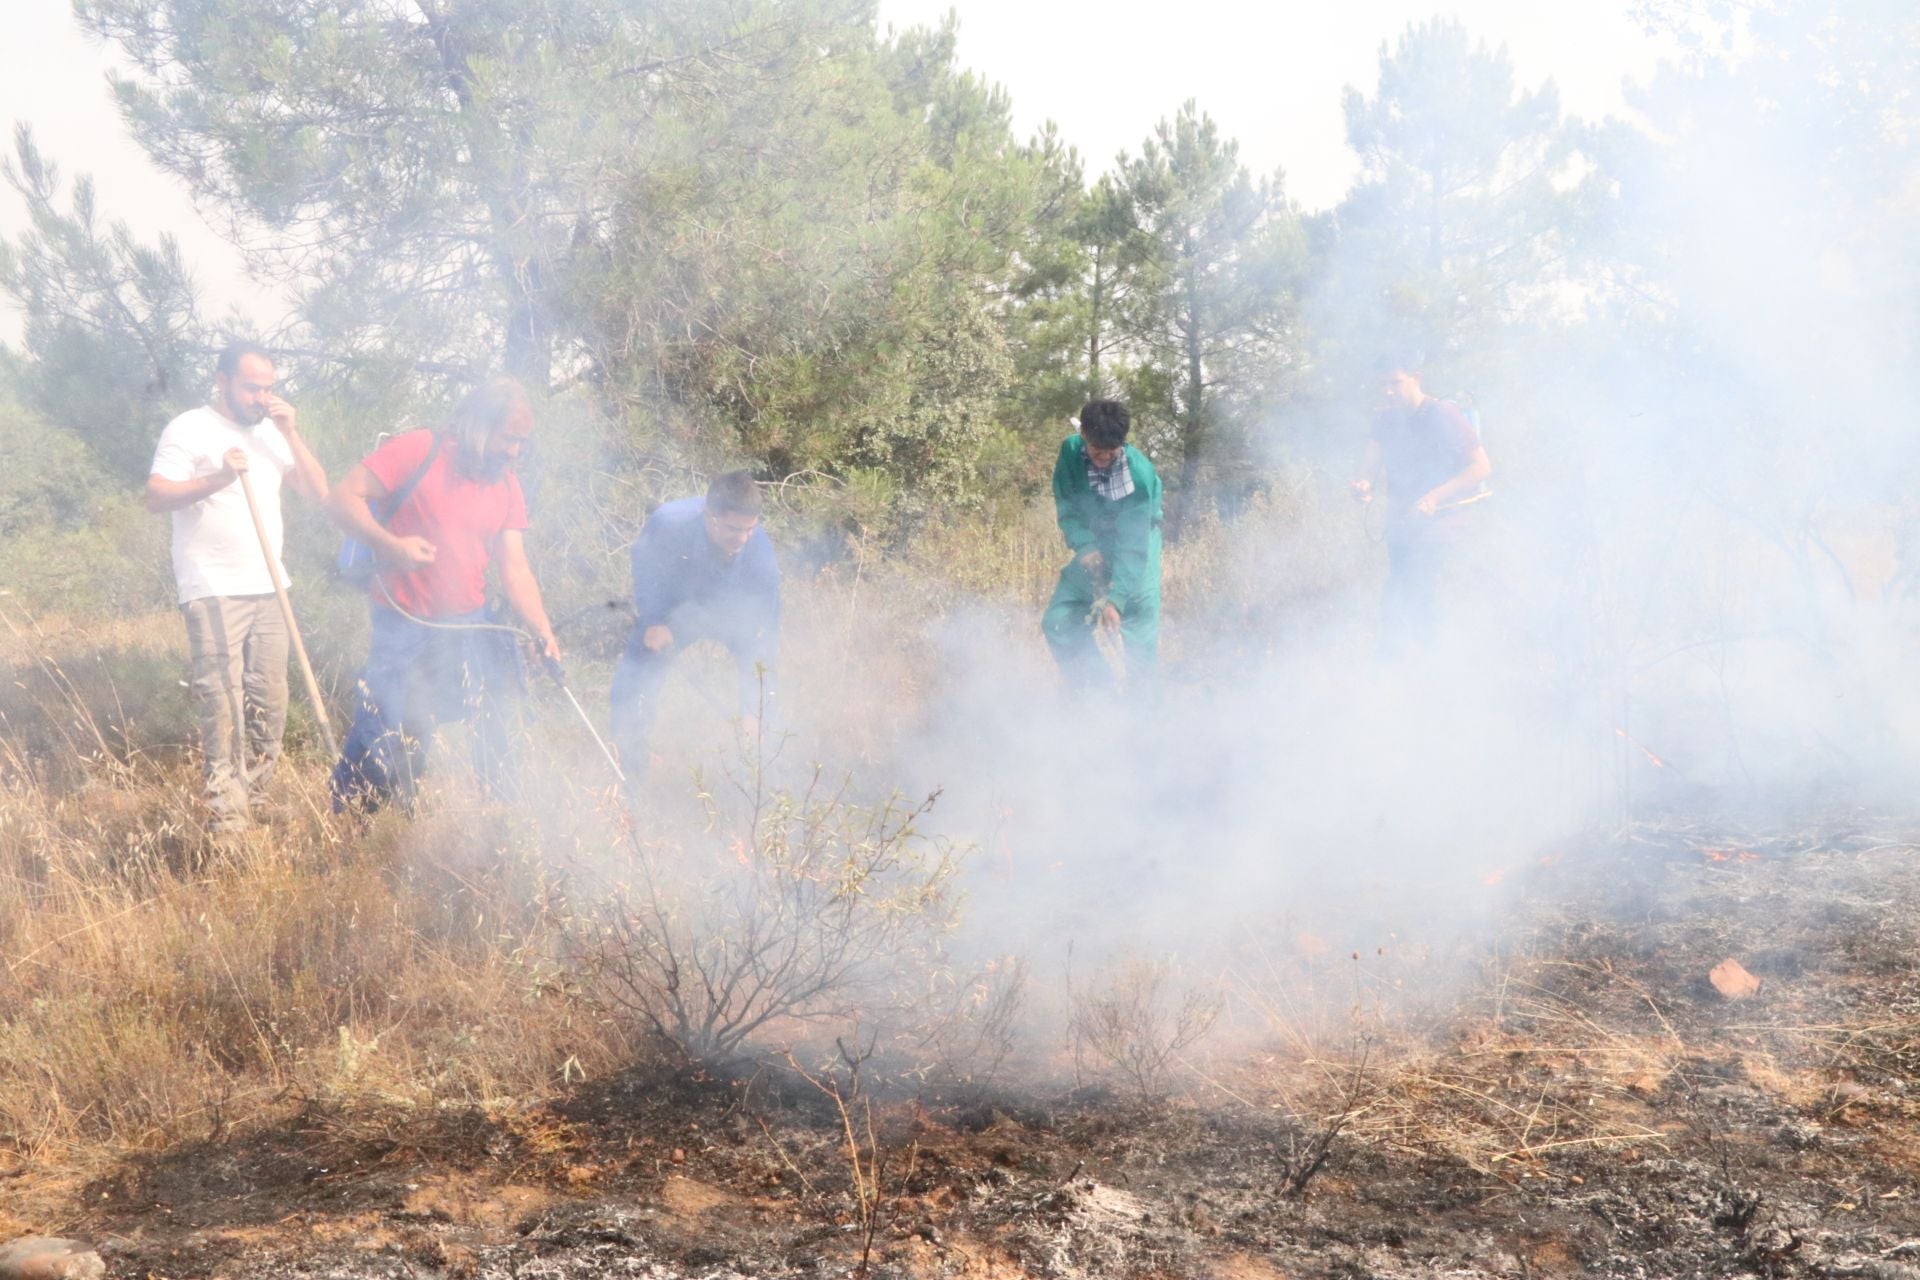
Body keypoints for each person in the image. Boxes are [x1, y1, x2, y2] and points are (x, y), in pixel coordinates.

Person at [327, 377, 560, 813]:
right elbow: (341, 499)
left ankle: (500, 821)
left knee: (502, 718)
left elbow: (515, 566)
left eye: (522, 443)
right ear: (478, 425)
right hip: (404, 624)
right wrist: (391, 547)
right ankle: (350, 823)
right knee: (388, 731)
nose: (514, 452)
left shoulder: (506, 485)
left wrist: (542, 629)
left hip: (472, 622)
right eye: (509, 439)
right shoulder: (419, 450)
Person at [146, 340, 330, 832]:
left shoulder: (272, 431)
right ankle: (227, 820)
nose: (261, 398)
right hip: (212, 586)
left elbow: (317, 491)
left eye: (268, 388)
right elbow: (157, 495)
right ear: (222, 381)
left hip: (270, 587)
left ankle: (256, 799)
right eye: (252, 387)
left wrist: (291, 432)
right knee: (222, 699)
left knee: (271, 699)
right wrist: (220, 477)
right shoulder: (189, 428)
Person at [610, 470, 780, 778]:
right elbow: (645, 566)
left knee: (761, 693)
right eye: (732, 529)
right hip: (678, 611)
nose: (741, 539)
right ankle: (631, 757)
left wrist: (753, 712)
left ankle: (759, 772)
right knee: (639, 665)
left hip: (732, 614)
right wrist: (654, 620)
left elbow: (764, 636)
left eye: (749, 530)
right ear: (709, 515)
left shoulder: (760, 552)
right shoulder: (669, 522)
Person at [1351, 357, 1493, 645]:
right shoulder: (1384, 420)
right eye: (1383, 385)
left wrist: (1435, 496)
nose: (1389, 391)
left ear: (1416, 378)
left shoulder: (1443, 414)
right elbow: (1369, 468)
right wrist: (1363, 485)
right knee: (1396, 603)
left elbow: (1481, 467)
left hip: (1439, 526)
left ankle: (1429, 669)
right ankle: (1399, 673)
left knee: (1418, 597)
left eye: (1396, 383)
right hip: (1400, 526)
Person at [1042, 400, 1163, 688]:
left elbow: (1135, 547)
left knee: (1137, 639)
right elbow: (1067, 507)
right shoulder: (1070, 453)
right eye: (1097, 452)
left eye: (1112, 453)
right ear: (1083, 434)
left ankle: (1148, 719)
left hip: (1138, 548)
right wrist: (1084, 545)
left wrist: (1116, 600)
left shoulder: (1139, 477)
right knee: (1058, 621)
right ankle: (1098, 694)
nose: (1104, 458)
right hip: (1094, 544)